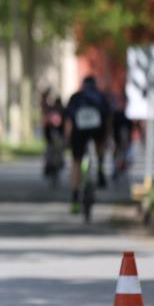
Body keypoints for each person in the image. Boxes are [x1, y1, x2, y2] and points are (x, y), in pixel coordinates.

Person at [64, 75, 111, 212]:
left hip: (78, 131)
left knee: (76, 162)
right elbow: (108, 118)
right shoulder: (101, 97)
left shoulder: (75, 97)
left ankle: (74, 199)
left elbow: (68, 120)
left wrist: (67, 138)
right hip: (97, 130)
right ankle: (100, 167)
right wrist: (107, 138)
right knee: (99, 144)